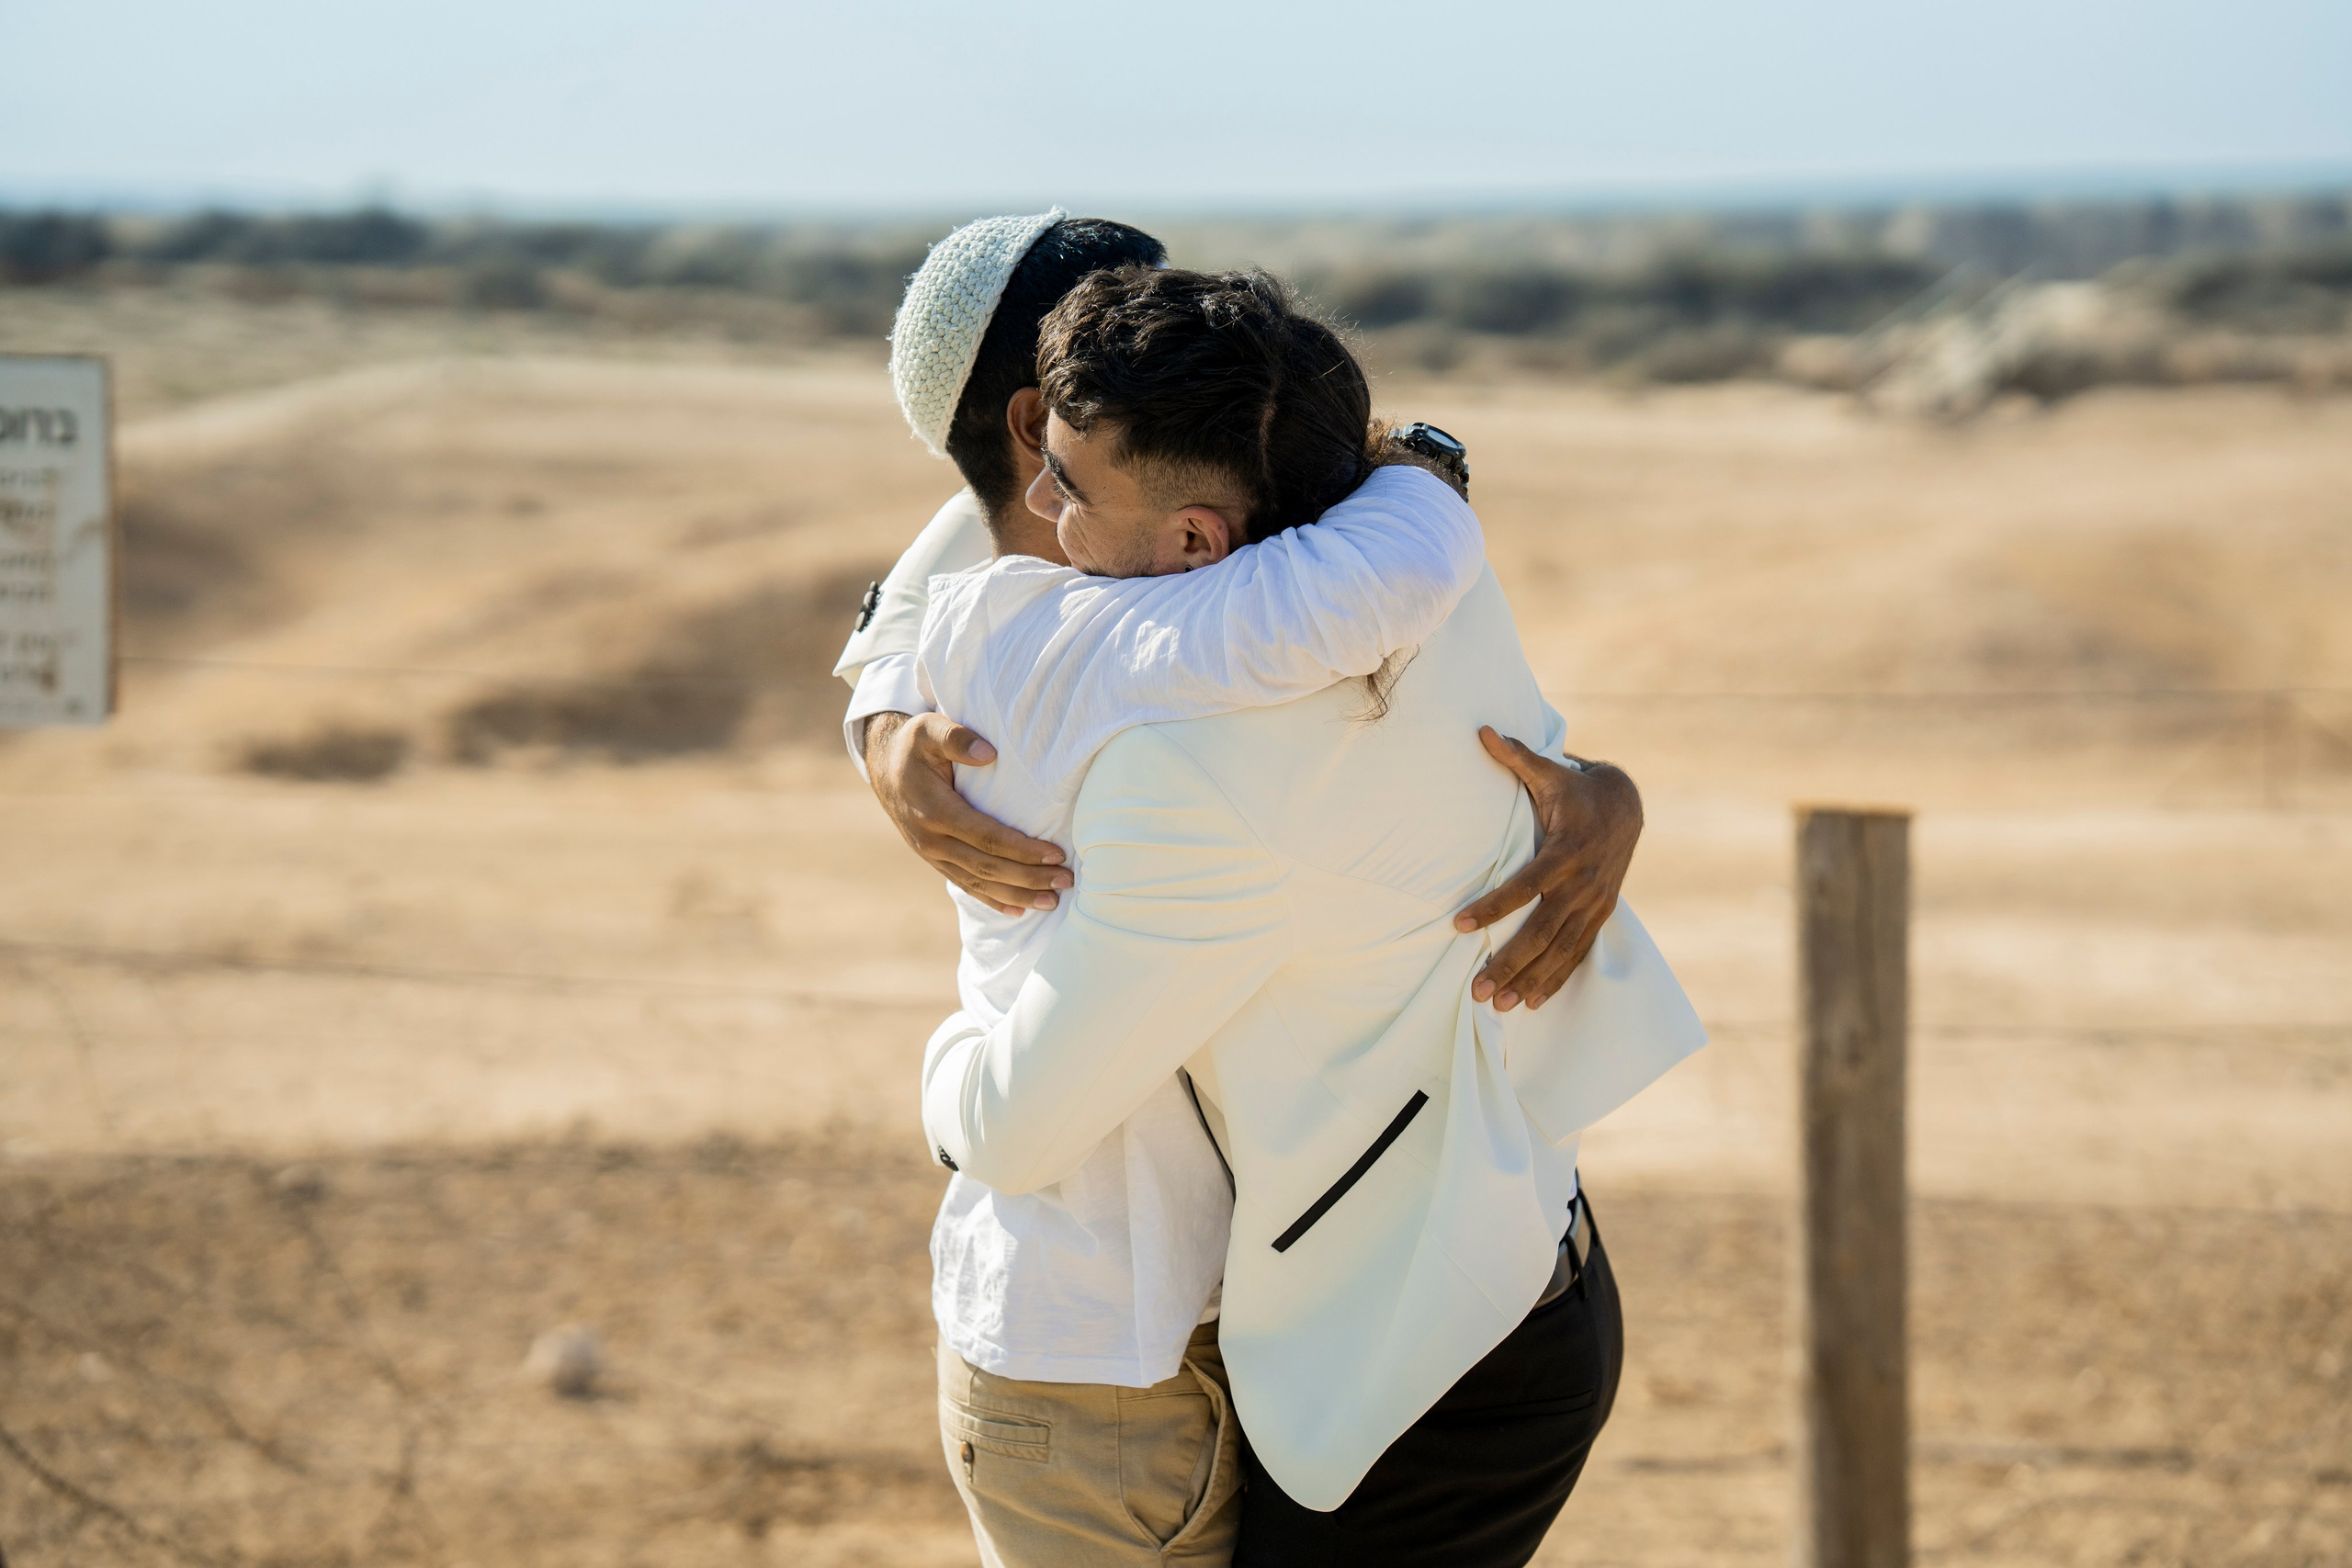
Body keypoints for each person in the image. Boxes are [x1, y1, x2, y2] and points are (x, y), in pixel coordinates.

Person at [834, 213, 1652, 1566]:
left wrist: (873, 703)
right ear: (1047, 421)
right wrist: (1427, 465)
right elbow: (1353, 581)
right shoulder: (1184, 640)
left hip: (1308, 1315)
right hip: (1116, 1333)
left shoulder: (1018, 629)